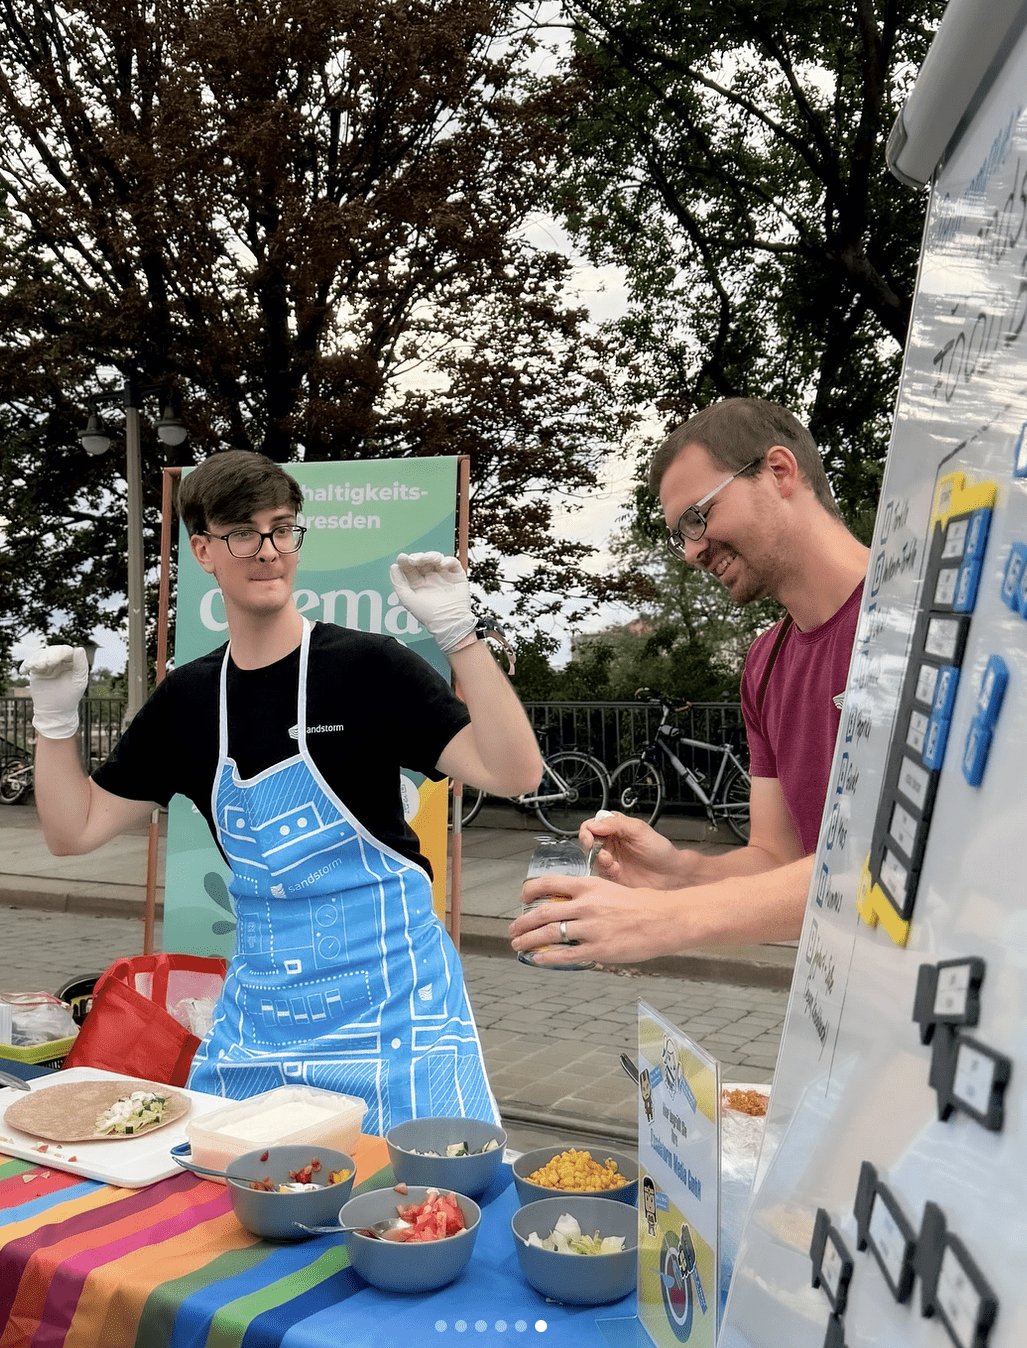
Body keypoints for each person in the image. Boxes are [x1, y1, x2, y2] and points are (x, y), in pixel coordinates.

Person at [22, 450, 542, 1132]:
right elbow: (72, 832)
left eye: (283, 528)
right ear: (204, 549)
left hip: (395, 1006)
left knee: (422, 1196)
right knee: (230, 1189)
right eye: (244, 532)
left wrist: (459, 635)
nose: (268, 551)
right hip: (265, 1013)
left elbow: (515, 774)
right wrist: (55, 722)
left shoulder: (368, 666)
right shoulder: (189, 698)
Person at [510, 397, 869, 967]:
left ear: (779, 472)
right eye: (680, 534)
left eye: (697, 519)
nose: (693, 552)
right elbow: (780, 861)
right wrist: (678, 874)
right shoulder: (765, 664)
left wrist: (668, 920)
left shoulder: (915, 620)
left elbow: (905, 866)